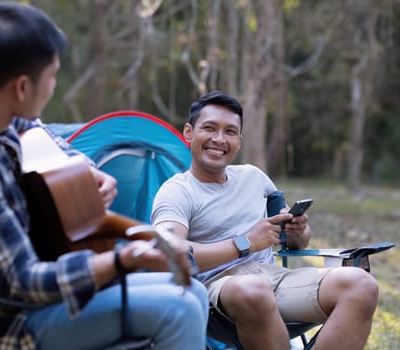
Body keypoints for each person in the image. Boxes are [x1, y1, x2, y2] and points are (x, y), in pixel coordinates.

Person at [0, 2, 208, 349]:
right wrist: (123, 259)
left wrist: (87, 171)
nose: (53, 88)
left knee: (193, 292)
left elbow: (38, 132)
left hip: (34, 297)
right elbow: (25, 282)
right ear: (21, 88)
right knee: (179, 309)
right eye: (51, 77)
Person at [151, 91, 379, 350]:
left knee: (361, 285)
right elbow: (169, 253)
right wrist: (245, 243)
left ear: (239, 140)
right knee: (254, 289)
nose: (219, 139)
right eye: (209, 128)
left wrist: (297, 230)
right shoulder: (177, 191)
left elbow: (295, 243)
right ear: (189, 133)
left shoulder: (254, 178)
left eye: (230, 131)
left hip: (275, 279)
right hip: (217, 291)